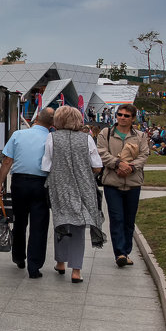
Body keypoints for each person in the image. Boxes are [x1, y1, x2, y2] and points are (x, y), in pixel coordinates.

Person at [44, 107, 104, 284]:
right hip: (83, 187)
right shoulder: (87, 139)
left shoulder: (52, 138)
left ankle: (60, 262)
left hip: (60, 186)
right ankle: (76, 270)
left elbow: (46, 165)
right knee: (78, 226)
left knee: (61, 221)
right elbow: (97, 165)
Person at [0, 107, 55, 278]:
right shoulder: (51, 138)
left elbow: (7, 161)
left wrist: (0, 184)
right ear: (51, 124)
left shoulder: (19, 134)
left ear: (36, 119)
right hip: (41, 183)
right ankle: (34, 266)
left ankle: (19, 257)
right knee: (39, 224)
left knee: (20, 221)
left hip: (19, 182)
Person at [97, 104, 151, 268]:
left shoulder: (140, 136)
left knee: (129, 219)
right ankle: (119, 252)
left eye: (126, 116)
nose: (122, 117)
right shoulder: (106, 134)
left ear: (133, 118)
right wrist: (118, 164)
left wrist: (131, 167)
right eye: (119, 114)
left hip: (133, 183)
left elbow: (144, 154)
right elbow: (101, 152)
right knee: (117, 218)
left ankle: (126, 251)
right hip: (112, 182)